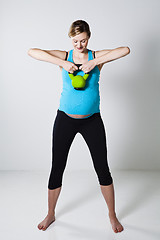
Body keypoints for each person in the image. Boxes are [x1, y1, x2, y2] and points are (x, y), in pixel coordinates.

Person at [28, 19, 130, 233]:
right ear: (70, 39)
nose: (79, 45)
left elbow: (125, 50)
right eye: (75, 41)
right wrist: (63, 64)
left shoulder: (96, 57)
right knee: (57, 167)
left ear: (88, 37)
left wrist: (96, 61)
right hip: (65, 119)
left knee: (102, 168)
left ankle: (112, 215)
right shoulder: (65, 55)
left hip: (92, 120)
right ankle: (50, 214)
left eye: (83, 40)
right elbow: (32, 52)